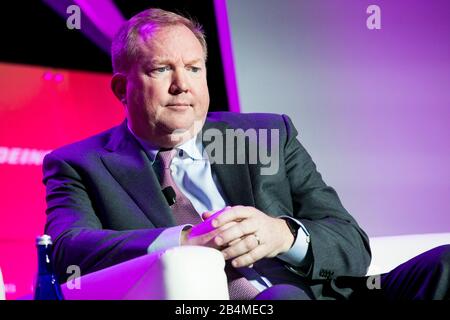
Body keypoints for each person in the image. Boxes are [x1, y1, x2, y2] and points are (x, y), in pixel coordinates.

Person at [42, 8, 449, 300]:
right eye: (161, 70)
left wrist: (283, 234)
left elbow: (350, 243)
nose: (182, 85)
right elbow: (68, 251)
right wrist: (183, 241)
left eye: (195, 68)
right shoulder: (80, 163)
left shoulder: (268, 135)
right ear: (120, 89)